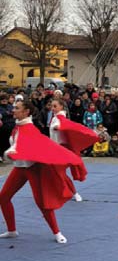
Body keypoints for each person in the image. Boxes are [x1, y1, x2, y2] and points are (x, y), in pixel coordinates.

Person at [0, 100, 86, 244]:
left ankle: (57, 232)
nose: (13, 110)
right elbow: (16, 144)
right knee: (3, 197)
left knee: (42, 202)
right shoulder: (17, 127)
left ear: (26, 112)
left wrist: (9, 153)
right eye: (14, 107)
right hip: (20, 168)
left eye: (17, 108)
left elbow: (21, 146)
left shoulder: (30, 129)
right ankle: (12, 230)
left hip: (33, 169)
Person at [49, 99, 98, 202]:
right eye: (52, 106)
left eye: (55, 106)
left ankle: (74, 193)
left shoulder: (61, 118)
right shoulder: (55, 118)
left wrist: (59, 127)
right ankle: (62, 192)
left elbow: (66, 126)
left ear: (61, 107)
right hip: (54, 148)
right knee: (54, 173)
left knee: (60, 173)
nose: (53, 108)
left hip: (61, 149)